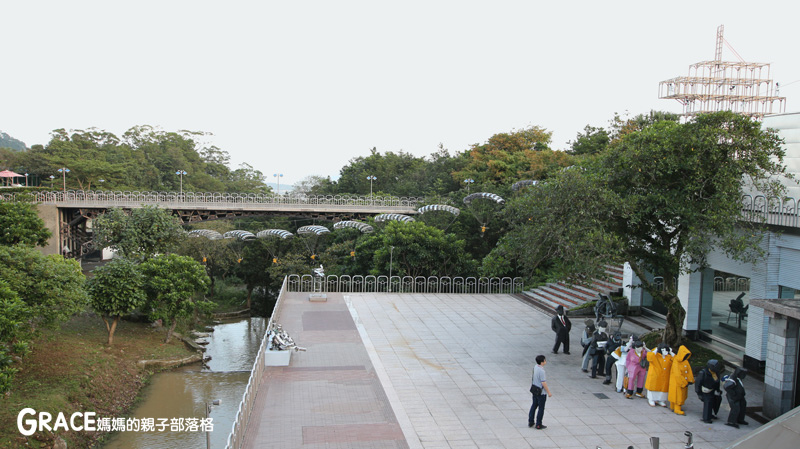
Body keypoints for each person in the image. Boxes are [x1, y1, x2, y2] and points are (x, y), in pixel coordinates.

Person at [695, 359, 724, 423]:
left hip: (712, 390)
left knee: (713, 402)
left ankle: (710, 415)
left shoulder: (716, 372)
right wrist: (699, 393)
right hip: (706, 391)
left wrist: (718, 389)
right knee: (708, 403)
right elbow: (698, 383)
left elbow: (717, 382)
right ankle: (706, 418)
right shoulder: (703, 373)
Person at [528, 354, 553, 430]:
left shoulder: (535, 367)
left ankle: (531, 421)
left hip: (534, 389)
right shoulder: (542, 371)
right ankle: (539, 424)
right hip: (541, 392)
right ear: (542, 362)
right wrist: (549, 392)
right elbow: (543, 382)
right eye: (545, 360)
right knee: (541, 408)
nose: (545, 361)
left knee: (534, 405)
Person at [668, 345, 694, 415]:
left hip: (682, 382)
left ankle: (673, 406)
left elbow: (689, 371)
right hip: (678, 383)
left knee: (680, 395)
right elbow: (677, 374)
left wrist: (690, 380)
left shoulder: (685, 361)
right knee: (678, 395)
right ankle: (677, 408)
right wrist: (683, 383)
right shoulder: (676, 362)